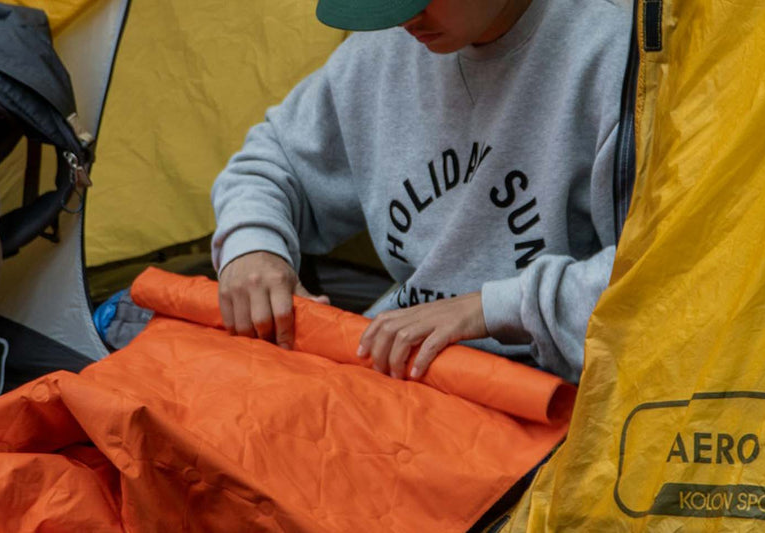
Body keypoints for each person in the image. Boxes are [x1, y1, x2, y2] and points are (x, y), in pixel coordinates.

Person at [212, 0, 630, 383]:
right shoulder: (383, 47)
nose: (403, 18)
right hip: (396, 369)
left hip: (544, 394)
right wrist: (253, 246)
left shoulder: (623, 58)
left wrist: (490, 309)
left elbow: (669, 278)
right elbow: (274, 160)